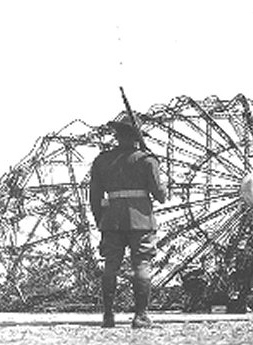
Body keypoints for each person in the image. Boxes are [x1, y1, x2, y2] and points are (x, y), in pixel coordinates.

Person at [89, 113, 166, 328]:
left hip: (111, 219)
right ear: (137, 136)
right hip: (140, 219)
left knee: (110, 264)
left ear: (117, 135)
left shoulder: (102, 160)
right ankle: (140, 316)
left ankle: (108, 315)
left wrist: (100, 219)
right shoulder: (147, 160)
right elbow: (160, 195)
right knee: (141, 263)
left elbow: (94, 197)